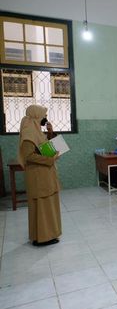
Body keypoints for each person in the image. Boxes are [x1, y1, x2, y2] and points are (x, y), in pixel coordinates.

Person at [18, 105, 62, 246]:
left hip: (45, 174)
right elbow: (28, 156)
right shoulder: (28, 132)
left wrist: (50, 133)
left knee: (48, 206)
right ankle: (41, 238)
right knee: (42, 207)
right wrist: (50, 159)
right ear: (37, 116)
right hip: (38, 176)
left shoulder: (37, 131)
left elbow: (47, 148)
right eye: (44, 115)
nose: (45, 118)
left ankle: (48, 235)